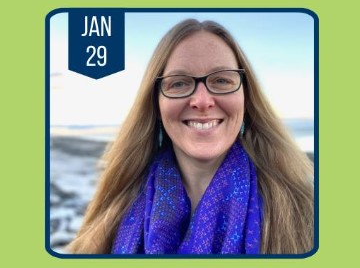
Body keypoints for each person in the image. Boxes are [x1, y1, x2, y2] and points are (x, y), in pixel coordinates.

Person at [68, 19, 314, 255]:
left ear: (246, 98)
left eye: (221, 80)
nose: (202, 101)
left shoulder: (308, 214)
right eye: (179, 83)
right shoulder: (108, 223)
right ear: (155, 104)